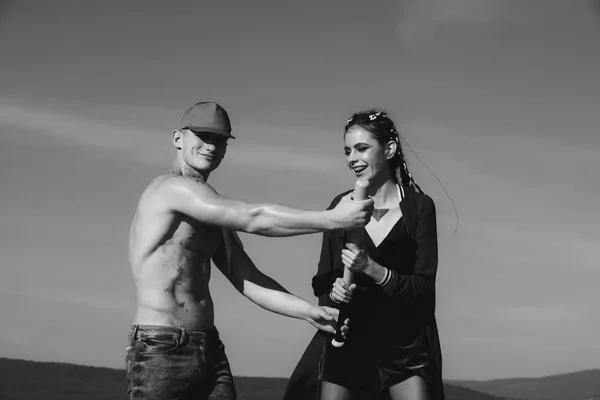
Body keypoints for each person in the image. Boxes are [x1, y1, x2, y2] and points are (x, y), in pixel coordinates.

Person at [125, 101, 374, 400]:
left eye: (220, 140)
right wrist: (333, 219)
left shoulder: (211, 210)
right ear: (178, 139)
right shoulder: (170, 189)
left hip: (209, 347)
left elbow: (247, 278)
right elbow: (254, 218)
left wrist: (308, 312)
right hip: (162, 347)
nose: (211, 146)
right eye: (203, 137)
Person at [283, 110, 445, 400]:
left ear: (390, 149)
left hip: (404, 347)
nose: (352, 159)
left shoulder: (419, 208)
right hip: (348, 344)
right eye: (347, 150)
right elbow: (323, 282)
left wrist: (370, 267)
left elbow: (423, 289)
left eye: (362, 148)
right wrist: (334, 294)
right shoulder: (339, 206)